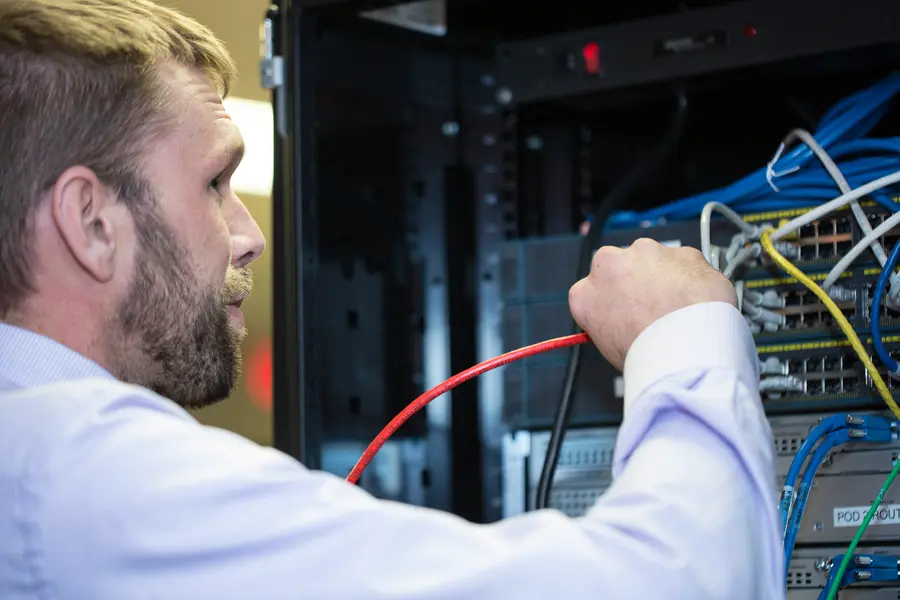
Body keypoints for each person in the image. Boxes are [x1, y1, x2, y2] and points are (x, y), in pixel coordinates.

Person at [0, 1, 782, 598]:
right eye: (212, 182)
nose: (249, 237)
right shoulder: (85, 472)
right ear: (91, 222)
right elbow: (681, 581)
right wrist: (683, 335)